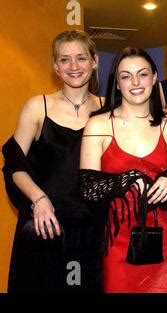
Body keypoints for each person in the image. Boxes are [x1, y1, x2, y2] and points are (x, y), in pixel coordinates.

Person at [2, 30, 104, 292]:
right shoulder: (38, 106)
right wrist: (39, 200)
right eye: (64, 59)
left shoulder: (109, 110)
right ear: (55, 66)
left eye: (81, 58)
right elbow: (14, 164)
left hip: (92, 233)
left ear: (95, 61)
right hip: (45, 229)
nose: (73, 67)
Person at [79, 47, 167, 293]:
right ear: (117, 83)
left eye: (142, 74)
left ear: (154, 77)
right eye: (126, 76)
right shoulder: (98, 125)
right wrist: (127, 180)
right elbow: (87, 188)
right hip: (117, 241)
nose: (135, 82)